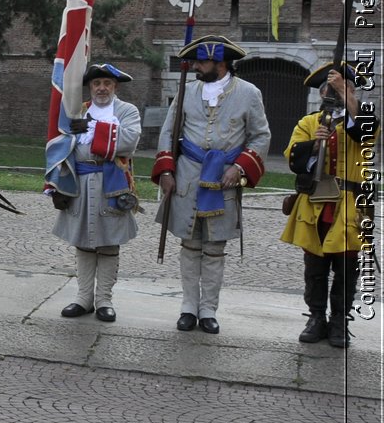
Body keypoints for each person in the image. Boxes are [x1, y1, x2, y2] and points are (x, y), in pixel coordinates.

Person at [152, 35, 271, 335]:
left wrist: (240, 167)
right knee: (190, 245)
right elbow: (169, 132)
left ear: (221, 63)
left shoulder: (249, 93)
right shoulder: (185, 90)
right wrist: (166, 170)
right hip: (188, 176)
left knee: (214, 248)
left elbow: (261, 136)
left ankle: (208, 311)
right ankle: (188, 308)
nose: (196, 66)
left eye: (202, 62)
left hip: (224, 179)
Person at [280, 62, 374, 349]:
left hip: (349, 207)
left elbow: (366, 135)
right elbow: (294, 159)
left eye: (339, 89)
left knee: (346, 269)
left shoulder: (362, 119)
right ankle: (317, 317)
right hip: (315, 204)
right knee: (315, 268)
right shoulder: (309, 123)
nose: (331, 94)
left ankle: (339, 321)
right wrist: (314, 146)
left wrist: (350, 99)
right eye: (329, 90)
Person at [51, 63, 143, 323]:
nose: (101, 88)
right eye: (96, 84)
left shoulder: (127, 111)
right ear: (90, 87)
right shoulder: (77, 110)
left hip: (111, 182)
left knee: (108, 241)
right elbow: (60, 144)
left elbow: (130, 141)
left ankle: (104, 299)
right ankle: (83, 298)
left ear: (114, 87)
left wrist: (96, 130)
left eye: (107, 84)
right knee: (83, 241)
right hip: (80, 183)